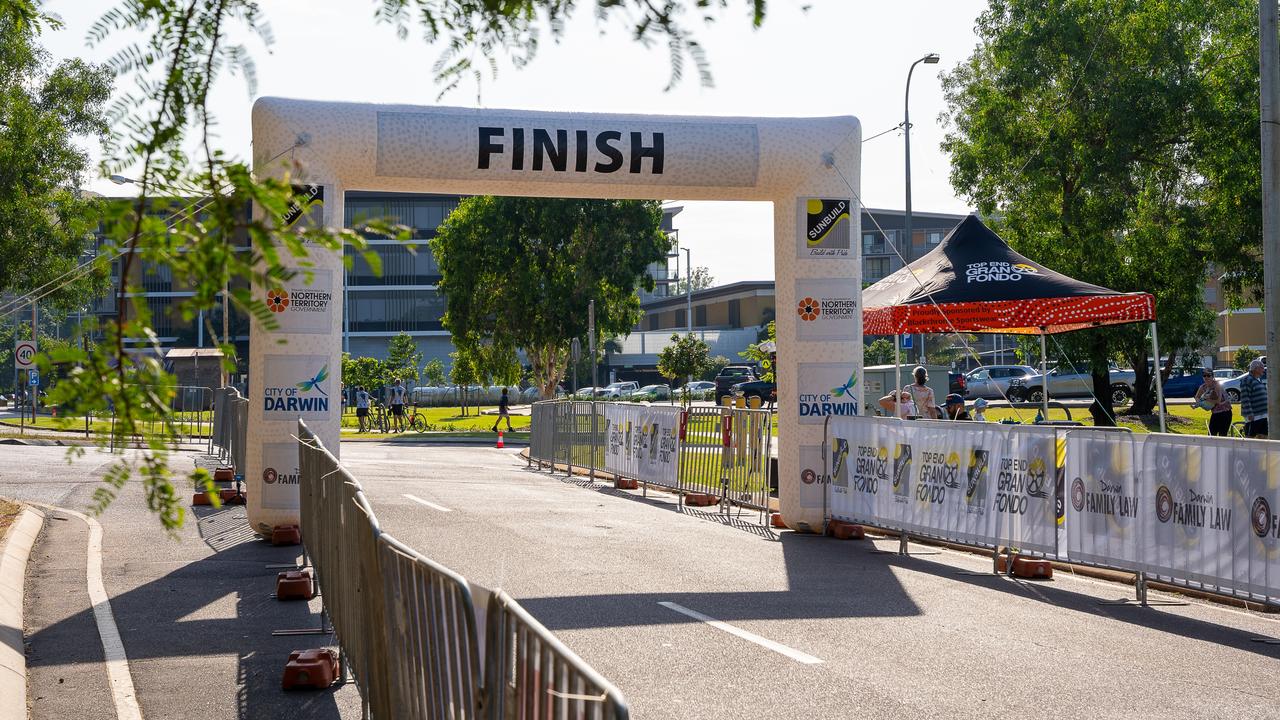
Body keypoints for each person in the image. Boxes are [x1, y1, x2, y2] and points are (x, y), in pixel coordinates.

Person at [1193, 367, 1232, 437]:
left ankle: (1222, 447)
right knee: (1211, 435)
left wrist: (1206, 400)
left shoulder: (1217, 385)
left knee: (1222, 435)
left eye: (1208, 375)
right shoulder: (1203, 387)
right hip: (1215, 413)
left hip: (1225, 412)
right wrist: (1200, 403)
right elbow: (1196, 397)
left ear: (1212, 376)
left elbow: (1218, 401)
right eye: (1204, 375)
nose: (1206, 377)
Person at [1240, 359, 1269, 438]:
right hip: (1254, 416)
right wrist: (1250, 413)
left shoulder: (1257, 379)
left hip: (1262, 415)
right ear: (1256, 369)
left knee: (1263, 436)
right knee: (1250, 439)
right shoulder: (1247, 380)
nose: (1263, 370)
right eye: (1262, 368)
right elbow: (1245, 398)